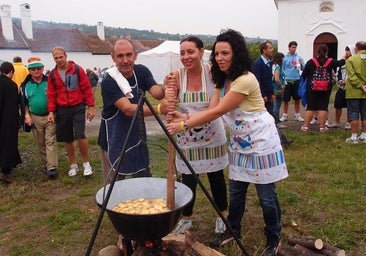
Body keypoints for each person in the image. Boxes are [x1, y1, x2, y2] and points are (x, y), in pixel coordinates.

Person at [166, 29, 288, 256]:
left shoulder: (245, 79)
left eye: (225, 53)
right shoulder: (224, 79)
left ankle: (274, 238)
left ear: (236, 54)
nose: (220, 58)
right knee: (236, 192)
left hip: (261, 143)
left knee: (266, 196)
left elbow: (219, 111)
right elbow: (210, 109)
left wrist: (183, 125)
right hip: (241, 142)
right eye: (218, 54)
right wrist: (184, 117)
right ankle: (232, 231)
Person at [165, 36, 229, 235]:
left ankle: (222, 216)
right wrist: (167, 94)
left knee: (216, 176)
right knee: (188, 178)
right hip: (187, 136)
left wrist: (184, 118)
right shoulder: (177, 76)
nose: (186, 57)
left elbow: (215, 108)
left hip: (211, 133)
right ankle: (186, 218)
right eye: (182, 53)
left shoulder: (214, 75)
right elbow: (167, 99)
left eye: (190, 52)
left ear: (202, 52)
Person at [98, 38, 166, 184]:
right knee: (114, 187)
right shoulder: (109, 82)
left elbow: (157, 93)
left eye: (129, 55)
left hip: (137, 135)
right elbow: (128, 109)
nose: (125, 60)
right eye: (120, 56)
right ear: (113, 58)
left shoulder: (141, 71)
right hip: (114, 138)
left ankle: (144, 204)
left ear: (135, 55)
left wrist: (167, 87)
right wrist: (160, 109)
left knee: (143, 181)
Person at [47, 46, 95, 177]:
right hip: (62, 108)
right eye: (56, 58)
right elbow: (51, 94)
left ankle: (86, 163)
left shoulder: (77, 70)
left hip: (78, 106)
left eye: (60, 57)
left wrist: (90, 107)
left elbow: (86, 89)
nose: (59, 60)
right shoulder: (52, 75)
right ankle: (73, 164)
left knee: (80, 135)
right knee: (67, 138)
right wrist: (51, 112)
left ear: (66, 56)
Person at [20, 57, 58, 179]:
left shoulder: (50, 81)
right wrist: (26, 116)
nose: (36, 71)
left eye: (39, 68)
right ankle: (46, 164)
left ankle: (52, 167)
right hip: (34, 116)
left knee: (50, 140)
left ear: (42, 69)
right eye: (33, 69)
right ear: (29, 71)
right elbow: (24, 102)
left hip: (50, 115)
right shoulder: (25, 85)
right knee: (40, 142)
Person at [253, 41, 292, 146]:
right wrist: (263, 95)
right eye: (270, 48)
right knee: (270, 119)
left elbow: (269, 80)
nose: (272, 49)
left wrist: (271, 93)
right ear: (264, 50)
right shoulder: (258, 63)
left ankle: (279, 140)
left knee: (271, 119)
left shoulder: (269, 63)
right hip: (263, 96)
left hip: (269, 95)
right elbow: (258, 81)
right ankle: (280, 140)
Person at [300, 44, 345, 132]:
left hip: (312, 88)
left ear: (317, 52)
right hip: (326, 88)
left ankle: (305, 126)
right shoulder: (330, 61)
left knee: (311, 107)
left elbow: (303, 75)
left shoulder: (311, 62)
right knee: (323, 106)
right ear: (327, 52)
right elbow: (341, 63)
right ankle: (322, 127)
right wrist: (344, 57)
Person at [0, 62, 22, 183]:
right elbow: (13, 106)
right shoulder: (12, 85)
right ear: (11, 72)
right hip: (7, 120)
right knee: (7, 144)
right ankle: (5, 172)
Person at [327, 45, 354, 129]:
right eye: (346, 50)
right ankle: (337, 122)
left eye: (348, 50)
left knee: (350, 105)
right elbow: (339, 73)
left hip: (351, 86)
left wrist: (347, 82)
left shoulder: (354, 61)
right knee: (338, 104)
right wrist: (340, 80)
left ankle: (348, 122)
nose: (346, 52)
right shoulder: (343, 61)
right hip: (341, 87)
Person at [344, 41, 366, 144]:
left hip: (354, 91)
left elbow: (352, 76)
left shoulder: (351, 60)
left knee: (354, 113)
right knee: (365, 114)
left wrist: (361, 86)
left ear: (356, 48)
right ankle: (364, 135)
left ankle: (354, 137)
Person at [280, 41, 305, 122]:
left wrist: (301, 65)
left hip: (296, 79)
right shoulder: (285, 58)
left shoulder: (299, 57)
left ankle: (297, 114)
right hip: (287, 80)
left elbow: (303, 68)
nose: (294, 49)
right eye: (292, 47)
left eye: (295, 47)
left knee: (297, 98)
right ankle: (285, 115)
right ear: (289, 48)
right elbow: (282, 69)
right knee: (286, 99)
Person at [272, 52, 287, 129]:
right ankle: (277, 122)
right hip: (277, 89)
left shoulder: (274, 65)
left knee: (275, 105)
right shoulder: (277, 67)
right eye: (283, 58)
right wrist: (281, 85)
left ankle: (275, 121)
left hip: (275, 88)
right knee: (276, 105)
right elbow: (276, 79)